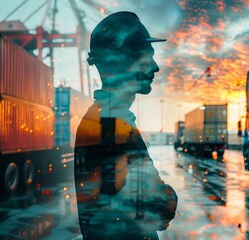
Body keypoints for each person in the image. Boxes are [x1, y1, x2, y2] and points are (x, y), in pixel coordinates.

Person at [74, 11, 178, 240]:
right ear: (122, 60)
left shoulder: (101, 118)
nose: (155, 67)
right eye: (147, 56)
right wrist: (169, 196)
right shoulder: (113, 127)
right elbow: (159, 208)